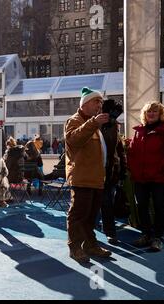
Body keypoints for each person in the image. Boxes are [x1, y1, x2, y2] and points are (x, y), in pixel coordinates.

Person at [64, 87, 112, 263]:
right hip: (82, 176)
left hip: (96, 177)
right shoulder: (74, 120)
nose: (100, 104)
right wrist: (94, 123)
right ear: (85, 104)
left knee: (91, 215)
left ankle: (90, 245)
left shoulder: (95, 123)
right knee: (78, 214)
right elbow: (73, 140)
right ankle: (75, 247)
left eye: (100, 101)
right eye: (96, 101)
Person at [127, 101, 164, 251]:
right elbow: (132, 153)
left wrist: (160, 169)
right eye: (149, 112)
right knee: (142, 207)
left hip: (160, 177)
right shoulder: (138, 131)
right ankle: (146, 234)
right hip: (141, 178)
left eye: (155, 111)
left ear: (160, 114)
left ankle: (158, 238)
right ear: (144, 115)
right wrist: (133, 170)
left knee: (160, 206)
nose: (151, 114)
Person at [99, 117, 127, 245]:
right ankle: (91, 233)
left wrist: (122, 171)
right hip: (94, 171)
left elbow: (120, 150)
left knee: (107, 203)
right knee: (95, 203)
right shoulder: (92, 125)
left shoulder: (113, 128)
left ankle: (110, 232)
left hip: (110, 172)